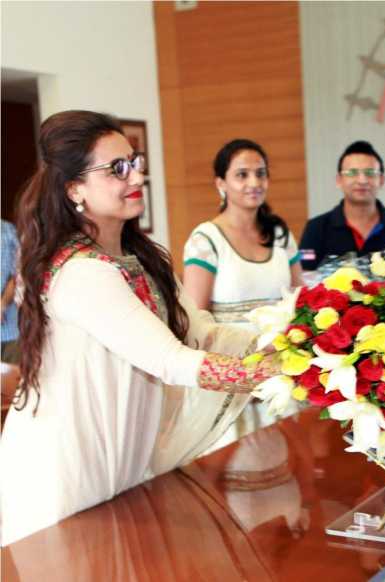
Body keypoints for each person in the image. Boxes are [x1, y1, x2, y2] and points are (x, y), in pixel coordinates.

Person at [0, 111, 282, 545]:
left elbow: (200, 331)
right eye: (117, 169)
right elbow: (169, 359)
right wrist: (271, 372)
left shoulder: (143, 257)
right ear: (74, 188)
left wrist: (290, 341)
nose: (136, 176)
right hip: (72, 462)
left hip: (123, 452)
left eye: (135, 162)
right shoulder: (79, 271)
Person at [182, 139, 303, 325]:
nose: (254, 182)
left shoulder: (280, 235)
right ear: (221, 183)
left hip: (284, 351)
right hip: (227, 353)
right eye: (242, 175)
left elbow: (301, 303)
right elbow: (195, 322)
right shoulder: (205, 240)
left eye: (260, 174)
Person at [299, 140, 385, 270]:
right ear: (339, 180)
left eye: (370, 173)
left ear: (381, 180)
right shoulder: (315, 228)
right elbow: (304, 276)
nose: (362, 180)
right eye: (352, 173)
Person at [1, 219, 20, 363]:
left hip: (10, 328)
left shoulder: (8, 232)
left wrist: (2, 305)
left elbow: (18, 275)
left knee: (10, 381)